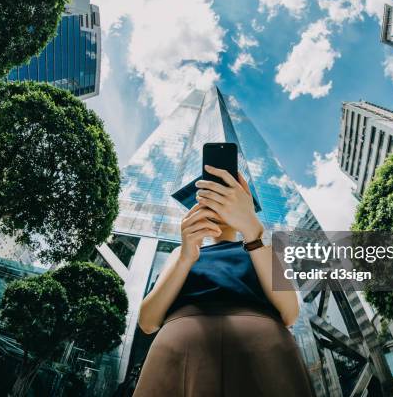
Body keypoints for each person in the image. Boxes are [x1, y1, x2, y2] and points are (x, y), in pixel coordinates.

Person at [133, 165, 315, 397]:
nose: (219, 204)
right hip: (185, 350)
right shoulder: (181, 253)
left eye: (227, 196)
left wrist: (253, 234)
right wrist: (186, 256)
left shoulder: (264, 250)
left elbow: (290, 313)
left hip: (262, 349)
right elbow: (148, 321)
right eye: (211, 197)